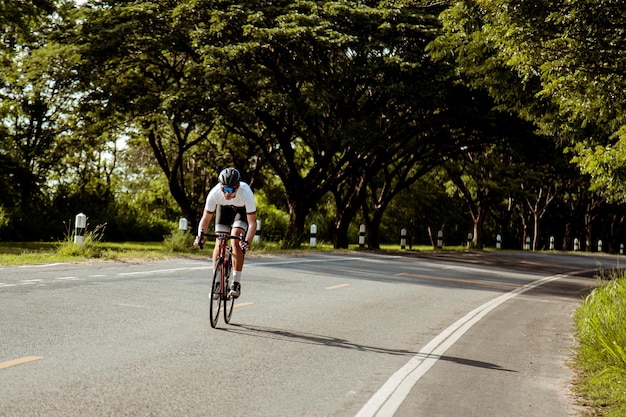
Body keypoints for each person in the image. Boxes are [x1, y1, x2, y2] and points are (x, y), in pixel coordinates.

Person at [194, 167, 257, 298]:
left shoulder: (246, 192)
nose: (227, 193)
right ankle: (217, 283)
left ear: (238, 187)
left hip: (241, 212)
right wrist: (200, 237)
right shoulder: (215, 193)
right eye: (224, 189)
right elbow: (205, 219)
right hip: (224, 210)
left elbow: (252, 223)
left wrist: (247, 241)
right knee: (219, 241)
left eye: (230, 190)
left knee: (235, 241)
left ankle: (236, 282)